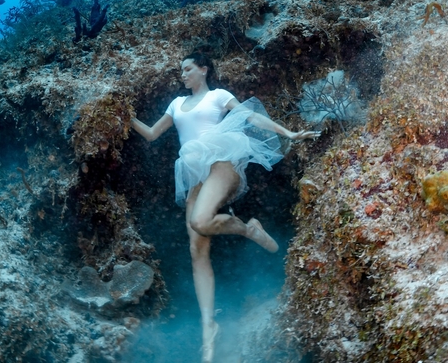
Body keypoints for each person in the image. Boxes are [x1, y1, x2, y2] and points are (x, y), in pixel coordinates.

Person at [130, 53, 318, 362]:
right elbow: (151, 134)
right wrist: (125, 116)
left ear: (203, 70)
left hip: (221, 166)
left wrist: (288, 133)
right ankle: (209, 330)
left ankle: (248, 229)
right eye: (181, 71)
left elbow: (251, 117)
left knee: (200, 222)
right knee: (197, 251)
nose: (183, 74)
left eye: (188, 69)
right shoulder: (176, 104)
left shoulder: (219, 96)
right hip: (195, 179)